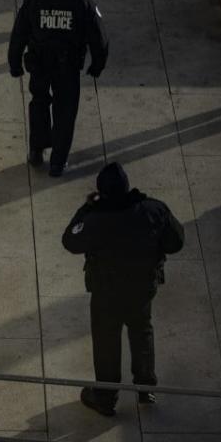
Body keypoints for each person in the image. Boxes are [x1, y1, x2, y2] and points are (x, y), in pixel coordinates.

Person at [62, 162, 185, 416]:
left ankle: (105, 397)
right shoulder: (153, 210)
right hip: (142, 287)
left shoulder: (95, 219)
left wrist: (86, 208)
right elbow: (176, 242)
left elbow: (70, 240)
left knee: (106, 340)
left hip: (106, 292)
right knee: (142, 331)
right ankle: (146, 389)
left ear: (101, 192)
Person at [7, 0, 108, 176]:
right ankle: (58, 162)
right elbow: (99, 37)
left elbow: (19, 34)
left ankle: (36, 150)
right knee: (65, 111)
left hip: (40, 65)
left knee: (39, 104)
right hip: (67, 68)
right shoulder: (83, 2)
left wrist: (15, 64)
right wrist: (97, 65)